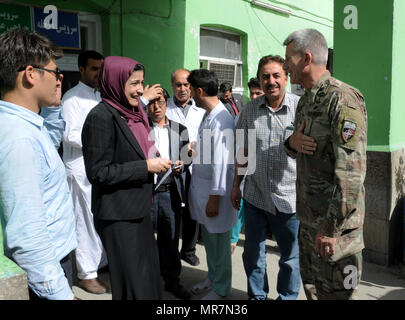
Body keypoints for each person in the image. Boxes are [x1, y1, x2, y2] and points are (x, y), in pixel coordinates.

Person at [283, 29, 367, 300]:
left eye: (289, 59)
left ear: (306, 58)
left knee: (337, 296)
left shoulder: (343, 100)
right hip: (309, 223)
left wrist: (330, 229)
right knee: (313, 292)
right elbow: (304, 151)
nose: (285, 66)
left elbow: (351, 177)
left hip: (335, 233)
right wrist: (291, 143)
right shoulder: (306, 100)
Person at [81, 56, 171, 300]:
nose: (140, 90)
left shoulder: (132, 113)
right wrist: (145, 166)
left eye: (141, 83)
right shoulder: (100, 117)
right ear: (115, 81)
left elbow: (143, 147)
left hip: (139, 208)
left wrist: (160, 159)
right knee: (133, 284)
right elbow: (99, 172)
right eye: (133, 83)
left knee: (149, 278)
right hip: (118, 214)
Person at [0, 29, 77, 300]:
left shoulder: (26, 125)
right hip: (45, 271)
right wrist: (60, 294)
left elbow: (51, 140)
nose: (59, 79)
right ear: (31, 74)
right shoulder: (19, 138)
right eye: (55, 72)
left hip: (51, 262)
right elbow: (27, 235)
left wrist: (54, 104)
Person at [231, 55, 301, 300]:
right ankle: (257, 297)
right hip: (255, 196)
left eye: (276, 76)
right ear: (260, 79)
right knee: (253, 255)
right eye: (265, 77)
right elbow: (243, 152)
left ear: (286, 78)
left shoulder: (300, 109)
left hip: (289, 200)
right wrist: (235, 186)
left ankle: (287, 297)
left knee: (290, 258)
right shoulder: (250, 110)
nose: (271, 81)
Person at [61, 50, 108, 294]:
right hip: (80, 169)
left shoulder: (100, 95)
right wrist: (101, 139)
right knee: (84, 221)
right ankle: (86, 274)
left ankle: (99, 262)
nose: (98, 73)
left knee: (99, 218)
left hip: (99, 167)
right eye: (93, 68)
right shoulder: (72, 98)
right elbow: (69, 135)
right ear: (81, 69)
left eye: (100, 68)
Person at [188, 69, 237, 300]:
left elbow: (221, 162)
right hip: (203, 190)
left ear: (199, 91)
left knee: (219, 243)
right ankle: (213, 277)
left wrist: (215, 197)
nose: (189, 95)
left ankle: (222, 288)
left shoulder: (222, 119)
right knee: (209, 240)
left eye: (190, 90)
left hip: (214, 193)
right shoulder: (209, 115)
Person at [147, 88, 192, 300]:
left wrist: (182, 165)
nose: (156, 107)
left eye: (161, 102)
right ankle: (147, 283)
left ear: (167, 104)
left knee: (171, 239)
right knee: (145, 240)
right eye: (152, 103)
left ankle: (172, 281)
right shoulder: (139, 128)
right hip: (147, 193)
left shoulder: (180, 129)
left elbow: (187, 158)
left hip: (170, 193)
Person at [166, 68, 206, 267]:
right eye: (178, 85)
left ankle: (189, 250)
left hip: (195, 165)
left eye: (186, 85)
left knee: (193, 211)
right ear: (172, 86)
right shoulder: (165, 109)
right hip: (173, 166)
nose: (182, 89)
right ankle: (171, 251)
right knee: (173, 211)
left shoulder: (201, 110)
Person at [230, 77, 265, 254]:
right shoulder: (243, 114)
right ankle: (233, 242)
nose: (253, 96)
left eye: (258, 93)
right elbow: (238, 147)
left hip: (267, 181)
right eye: (251, 93)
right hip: (245, 175)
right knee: (240, 210)